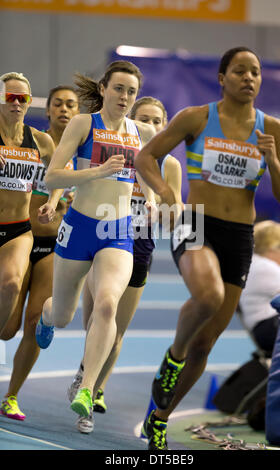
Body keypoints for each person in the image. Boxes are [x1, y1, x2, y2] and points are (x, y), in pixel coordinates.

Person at [134, 46, 280, 450]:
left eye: (255, 72)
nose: (249, 78)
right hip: (196, 221)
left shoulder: (271, 129)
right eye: (239, 71)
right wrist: (166, 191)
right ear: (222, 78)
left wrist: (273, 159)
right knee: (208, 296)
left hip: (240, 235)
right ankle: (173, 357)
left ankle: (160, 416)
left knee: (205, 343)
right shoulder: (196, 118)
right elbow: (146, 157)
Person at [35, 61, 157, 422]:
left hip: (117, 231)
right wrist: (97, 172)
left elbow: (146, 170)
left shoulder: (142, 132)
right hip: (79, 227)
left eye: (131, 91)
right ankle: (46, 314)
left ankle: (87, 388)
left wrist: (149, 196)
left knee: (106, 304)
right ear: (104, 89)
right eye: (118, 88)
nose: (124, 97)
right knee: (62, 315)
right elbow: (53, 175)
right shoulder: (83, 123)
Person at [67, 96, 183, 433]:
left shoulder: (170, 165)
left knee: (117, 331)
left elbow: (174, 214)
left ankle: (90, 393)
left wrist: (165, 209)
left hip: (140, 247)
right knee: (95, 319)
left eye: (157, 121)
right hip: (104, 238)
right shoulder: (117, 150)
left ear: (164, 126)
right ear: (134, 122)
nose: (150, 126)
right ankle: (85, 373)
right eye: (143, 119)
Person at [0, 85, 80, 420]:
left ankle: (11, 396)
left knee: (35, 322)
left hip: (52, 244)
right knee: (7, 328)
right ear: (47, 111)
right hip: (20, 234)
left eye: (71, 105)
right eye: (57, 103)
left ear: (78, 113)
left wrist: (71, 199)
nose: (63, 109)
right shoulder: (34, 142)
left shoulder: (84, 153)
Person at [0, 71, 60, 349]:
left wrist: (53, 199)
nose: (16, 102)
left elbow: (59, 174)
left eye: (22, 98)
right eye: (10, 96)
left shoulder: (40, 142)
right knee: (10, 329)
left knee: (12, 285)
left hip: (18, 231)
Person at [239, 220, 280, 357]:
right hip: (270, 328)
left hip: (264, 328)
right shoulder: (266, 267)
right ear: (272, 247)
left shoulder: (255, 263)